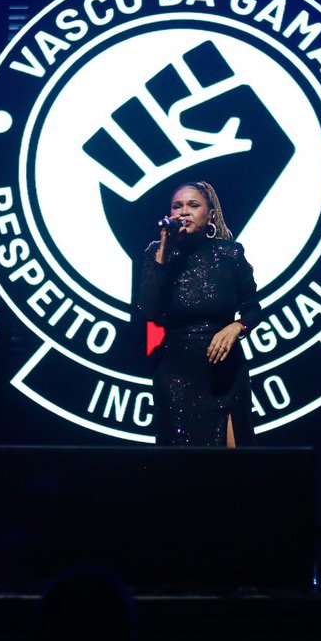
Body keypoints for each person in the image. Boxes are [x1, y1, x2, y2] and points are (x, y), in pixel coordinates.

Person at [136, 181, 261, 447]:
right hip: (176, 373)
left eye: (193, 205)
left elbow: (253, 309)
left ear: (210, 215)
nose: (184, 212)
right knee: (184, 464)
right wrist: (164, 248)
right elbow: (147, 310)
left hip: (224, 371)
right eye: (177, 206)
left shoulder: (230, 254)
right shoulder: (157, 254)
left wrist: (237, 327)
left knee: (235, 459)